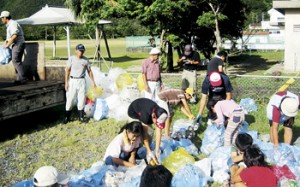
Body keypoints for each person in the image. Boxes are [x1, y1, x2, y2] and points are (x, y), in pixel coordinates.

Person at [127, 98, 168, 164]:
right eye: (157, 122)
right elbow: (144, 134)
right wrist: (149, 151)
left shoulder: (160, 112)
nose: (157, 124)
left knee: (151, 132)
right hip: (134, 112)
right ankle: (133, 154)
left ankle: (146, 151)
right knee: (137, 134)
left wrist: (157, 150)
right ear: (153, 116)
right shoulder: (146, 116)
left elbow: (159, 131)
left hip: (144, 110)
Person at [64, 44, 97, 124]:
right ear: (76, 50)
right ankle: (67, 117)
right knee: (70, 99)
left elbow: (89, 71)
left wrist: (93, 82)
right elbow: (67, 71)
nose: (81, 52)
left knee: (81, 99)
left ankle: (81, 117)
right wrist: (66, 83)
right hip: (72, 80)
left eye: (82, 51)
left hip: (82, 80)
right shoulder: (71, 59)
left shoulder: (85, 60)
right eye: (79, 50)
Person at [1, 11, 27, 84]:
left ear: (5, 18)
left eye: (2, 18)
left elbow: (14, 35)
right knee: (17, 61)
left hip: (18, 44)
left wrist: (7, 44)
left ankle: (23, 79)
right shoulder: (10, 25)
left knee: (15, 60)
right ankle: (19, 79)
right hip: (17, 44)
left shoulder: (12, 24)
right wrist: (7, 41)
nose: (1, 20)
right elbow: (11, 36)